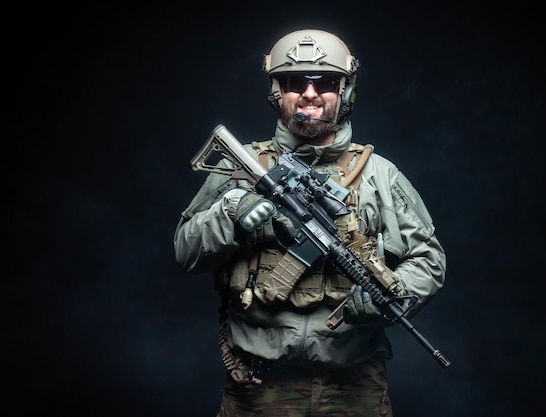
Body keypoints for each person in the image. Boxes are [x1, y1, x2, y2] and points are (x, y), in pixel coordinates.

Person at [173, 29, 446, 417]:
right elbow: (185, 251)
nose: (310, 94)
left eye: (326, 83)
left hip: (354, 388)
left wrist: (393, 294)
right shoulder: (243, 168)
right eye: (294, 82)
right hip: (257, 387)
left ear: (345, 92)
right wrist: (231, 210)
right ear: (276, 92)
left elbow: (429, 261)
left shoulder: (379, 176)